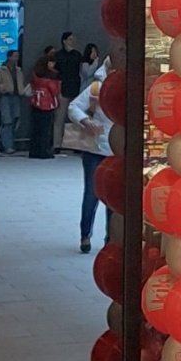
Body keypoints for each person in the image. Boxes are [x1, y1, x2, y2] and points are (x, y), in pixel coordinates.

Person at [63, 68, 112, 253]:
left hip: (116, 150)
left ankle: (111, 238)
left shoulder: (127, 88)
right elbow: (73, 107)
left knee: (113, 197)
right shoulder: (97, 87)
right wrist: (85, 120)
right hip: (95, 148)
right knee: (92, 193)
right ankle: (85, 234)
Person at [27, 46, 63, 158]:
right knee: (46, 129)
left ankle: (34, 151)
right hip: (47, 104)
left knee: (36, 128)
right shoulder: (51, 76)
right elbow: (55, 90)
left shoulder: (35, 75)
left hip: (35, 102)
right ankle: (44, 151)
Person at [0, 50, 27, 154]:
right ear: (9, 57)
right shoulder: (1, 70)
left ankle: (11, 143)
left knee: (15, 119)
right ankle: (7, 145)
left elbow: (21, 82)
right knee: (6, 121)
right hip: (5, 96)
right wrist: (2, 88)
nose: (16, 58)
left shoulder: (18, 70)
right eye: (14, 56)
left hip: (17, 96)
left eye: (17, 56)